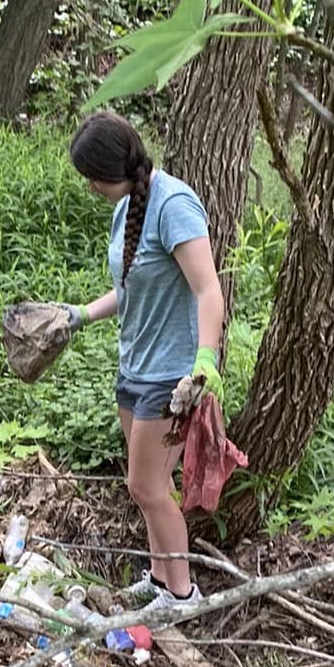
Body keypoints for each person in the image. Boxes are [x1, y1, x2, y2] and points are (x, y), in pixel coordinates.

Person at [54, 111, 225, 619]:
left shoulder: (173, 204)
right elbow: (129, 289)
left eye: (93, 176)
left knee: (145, 486)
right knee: (151, 486)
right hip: (134, 367)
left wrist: (204, 361)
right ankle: (158, 579)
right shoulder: (127, 204)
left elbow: (208, 288)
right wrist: (80, 314)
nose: (89, 186)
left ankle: (182, 595)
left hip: (171, 375)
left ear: (115, 167)